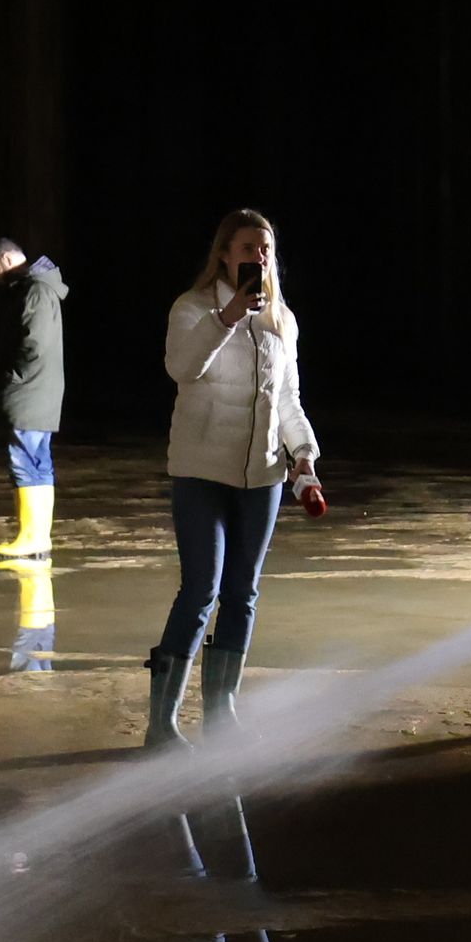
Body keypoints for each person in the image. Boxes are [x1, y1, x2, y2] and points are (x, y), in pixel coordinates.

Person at [152, 209, 325, 748]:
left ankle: (221, 711)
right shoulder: (193, 308)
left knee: (242, 593)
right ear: (225, 253)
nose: (259, 255)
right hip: (202, 471)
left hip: (264, 478)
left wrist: (303, 456)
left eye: (267, 247)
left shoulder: (281, 319)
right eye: (248, 246)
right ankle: (162, 724)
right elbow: (182, 368)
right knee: (200, 589)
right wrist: (225, 318)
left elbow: (289, 400)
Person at [0, 238, 67, 565]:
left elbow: (33, 340)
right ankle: (36, 538)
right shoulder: (40, 288)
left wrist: (12, 368)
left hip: (29, 391)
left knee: (25, 463)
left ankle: (31, 537)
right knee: (38, 464)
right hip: (40, 391)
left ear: (9, 258)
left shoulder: (35, 290)